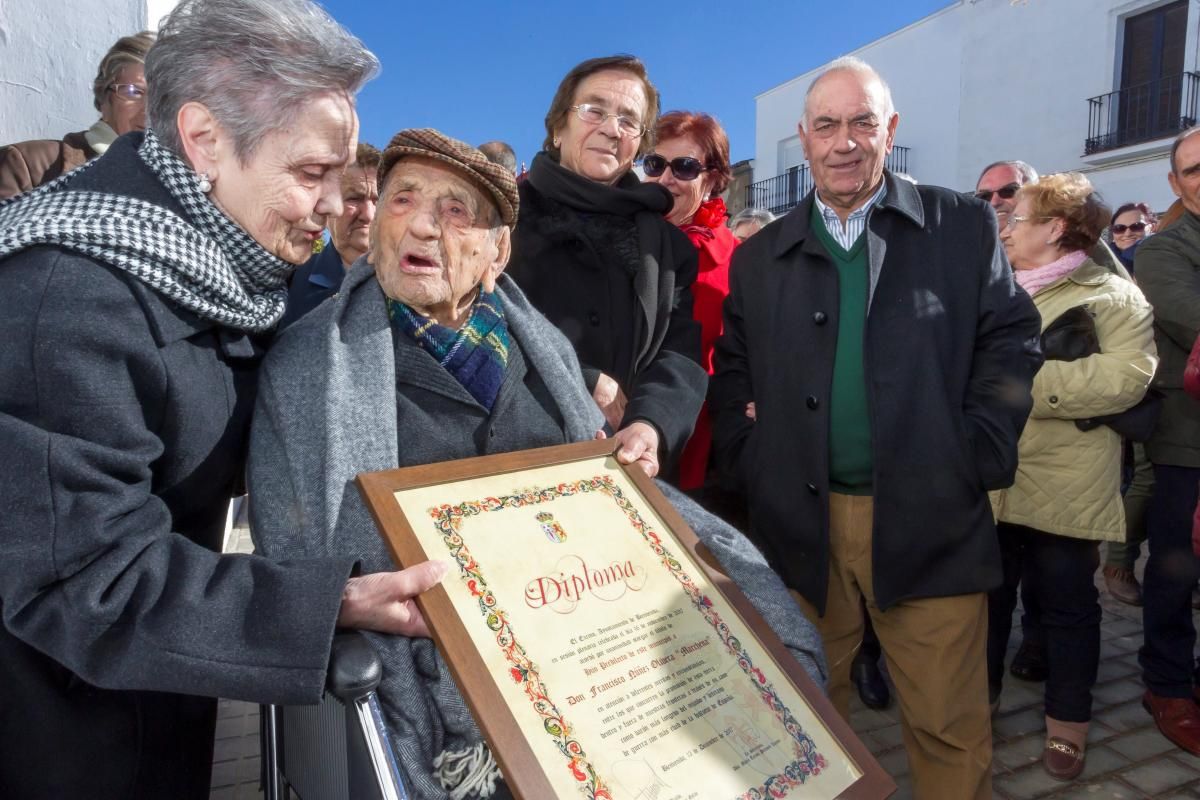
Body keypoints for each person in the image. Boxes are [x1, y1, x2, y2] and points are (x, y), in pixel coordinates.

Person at [248, 128, 827, 800]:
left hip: (595, 645)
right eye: (402, 198)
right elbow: (296, 551)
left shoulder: (542, 351)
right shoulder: (308, 368)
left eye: (456, 210)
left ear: (499, 253)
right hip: (455, 670)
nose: (423, 224)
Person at [0, 2, 447, 797]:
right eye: (311, 174)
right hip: (63, 739)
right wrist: (322, 605)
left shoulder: (214, 272)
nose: (337, 206)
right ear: (204, 139)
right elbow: (85, 581)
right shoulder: (67, 294)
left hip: (147, 701)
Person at [710, 56, 1043, 799]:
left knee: (949, 729)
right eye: (826, 124)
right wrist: (750, 453)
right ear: (803, 138)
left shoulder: (959, 224)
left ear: (890, 129)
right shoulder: (761, 255)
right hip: (801, 525)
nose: (844, 141)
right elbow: (732, 364)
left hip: (930, 518)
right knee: (797, 720)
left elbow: (1012, 336)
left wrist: (978, 445)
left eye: (863, 121)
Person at [988, 173, 1156, 780]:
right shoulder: (995, 288)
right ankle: (977, 709)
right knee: (988, 601)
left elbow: (1126, 378)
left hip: (1067, 480)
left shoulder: (1112, 295)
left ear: (1055, 229)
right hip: (993, 475)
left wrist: (1018, 388)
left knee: (1066, 607)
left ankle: (1067, 725)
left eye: (1018, 219)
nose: (1006, 228)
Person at [506, 55, 706, 480]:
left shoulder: (669, 247)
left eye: (629, 121)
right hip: (515, 460)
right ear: (558, 128)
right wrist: (577, 380)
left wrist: (650, 424)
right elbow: (469, 330)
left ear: (639, 144)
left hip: (621, 468)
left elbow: (678, 353)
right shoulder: (501, 221)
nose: (612, 129)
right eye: (594, 110)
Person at [1137, 125, 1200, 756]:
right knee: (1178, 568)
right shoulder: (1163, 251)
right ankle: (1168, 683)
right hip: (1189, 440)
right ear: (1177, 184)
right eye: (1194, 170)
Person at [642, 110, 737, 492]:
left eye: (684, 167)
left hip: (713, 457)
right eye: (654, 164)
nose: (666, 178)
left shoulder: (742, 261)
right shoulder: (620, 242)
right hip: (630, 435)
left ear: (712, 179)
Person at [0, 31, 156, 199]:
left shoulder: (179, 181)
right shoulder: (28, 167)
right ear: (104, 99)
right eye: (134, 92)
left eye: (164, 95)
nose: (149, 108)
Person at [1101, 200, 1160, 607]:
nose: (1125, 235)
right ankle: (1119, 561)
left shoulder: (1154, 258)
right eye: (1118, 230)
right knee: (1145, 475)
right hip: (1140, 388)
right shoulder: (1114, 270)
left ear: (1151, 224)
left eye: (1134, 227)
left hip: (1169, 378)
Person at [280, 141, 381, 327]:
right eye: (354, 198)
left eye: (377, 200)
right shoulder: (287, 283)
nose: (368, 214)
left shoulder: (412, 283)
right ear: (327, 206)